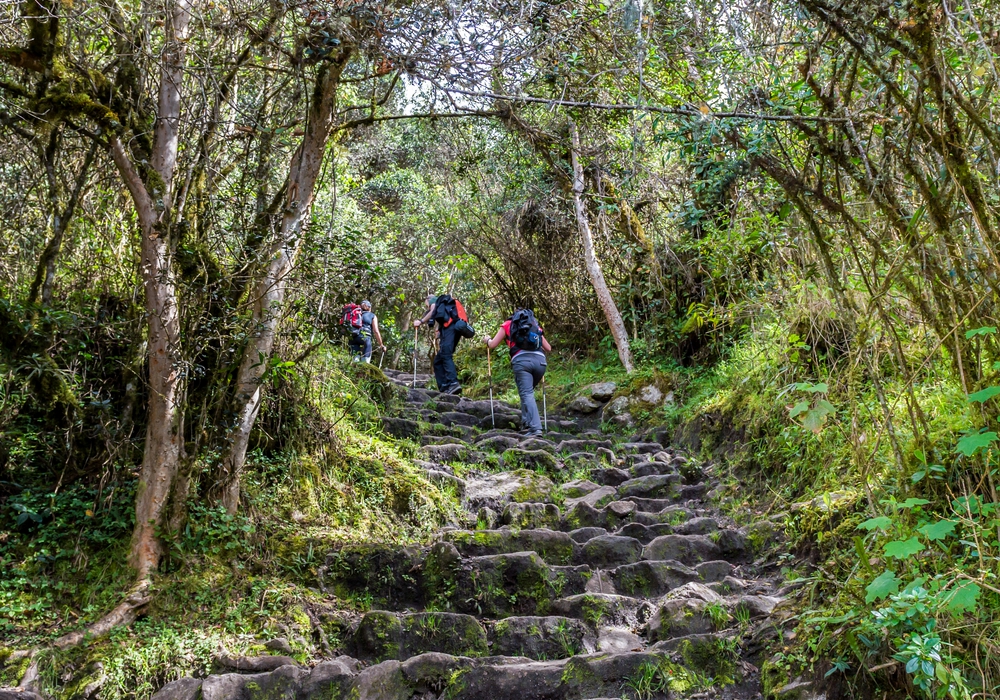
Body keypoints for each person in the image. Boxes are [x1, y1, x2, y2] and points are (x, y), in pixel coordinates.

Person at [484, 308, 552, 436]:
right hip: (540, 362)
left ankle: (536, 428)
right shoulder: (534, 325)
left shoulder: (508, 324)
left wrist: (487, 340)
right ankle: (527, 423)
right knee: (526, 391)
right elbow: (548, 348)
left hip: (522, 362)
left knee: (526, 393)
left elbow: (492, 345)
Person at [414, 294, 462, 394]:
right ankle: (445, 387)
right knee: (438, 361)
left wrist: (421, 321)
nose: (427, 306)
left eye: (426, 304)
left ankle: (453, 383)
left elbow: (433, 310)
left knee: (445, 355)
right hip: (456, 329)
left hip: (451, 329)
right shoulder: (446, 306)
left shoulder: (434, 301)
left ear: (428, 300)